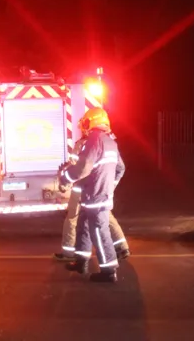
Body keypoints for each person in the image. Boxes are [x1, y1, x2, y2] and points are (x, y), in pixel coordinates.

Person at [59, 108, 125, 282]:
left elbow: (84, 167)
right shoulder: (110, 142)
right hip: (97, 196)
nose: (84, 127)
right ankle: (81, 261)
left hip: (95, 197)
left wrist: (65, 178)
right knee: (84, 227)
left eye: (86, 122)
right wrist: (110, 186)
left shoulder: (95, 139)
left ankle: (109, 271)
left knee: (99, 232)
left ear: (93, 121)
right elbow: (120, 168)